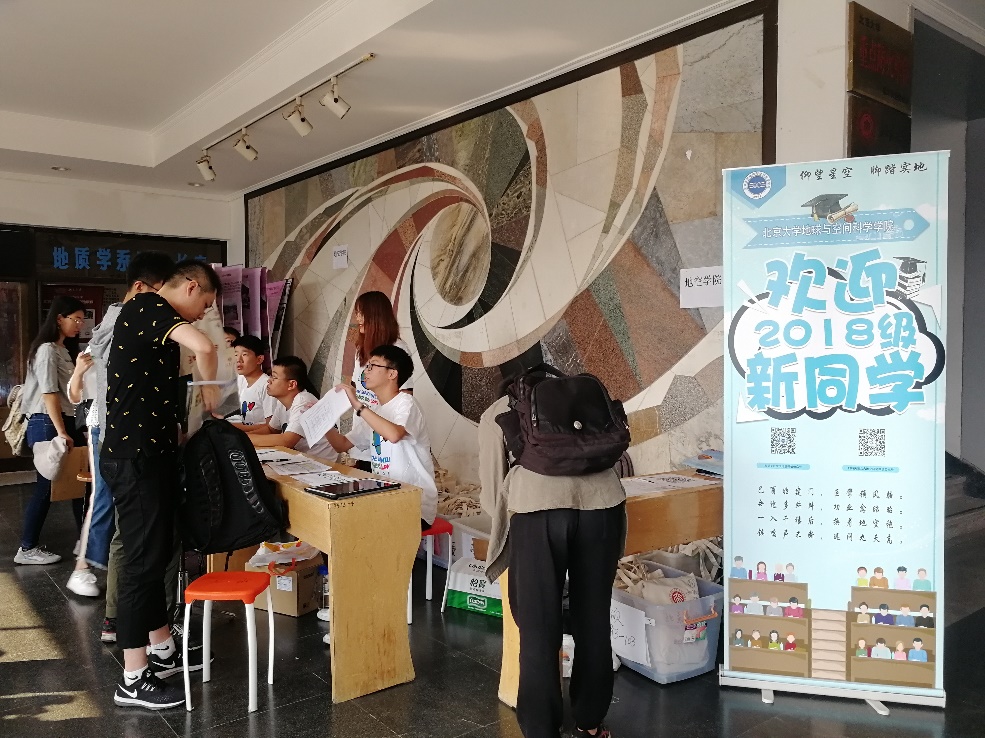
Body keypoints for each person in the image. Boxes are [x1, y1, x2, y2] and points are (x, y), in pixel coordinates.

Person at [100, 260, 221, 709]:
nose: (202, 313)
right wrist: (212, 392)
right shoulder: (147, 306)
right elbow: (204, 345)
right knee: (141, 562)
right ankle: (132, 678)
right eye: (205, 302)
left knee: (158, 551)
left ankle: (163, 649)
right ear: (189, 286)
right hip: (135, 460)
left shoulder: (159, 324)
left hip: (152, 456)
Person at [477, 380, 626, 738]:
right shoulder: (585, 396)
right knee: (594, 617)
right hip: (604, 505)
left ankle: (542, 729)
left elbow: (492, 493)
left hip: (537, 510)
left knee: (538, 626)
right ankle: (590, 721)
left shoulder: (498, 410)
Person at [66, 251, 175, 602]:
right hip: (113, 424)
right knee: (105, 498)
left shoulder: (119, 318)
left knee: (111, 501)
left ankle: (92, 569)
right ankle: (83, 567)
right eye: (161, 291)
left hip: (115, 422)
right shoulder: (125, 320)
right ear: (141, 287)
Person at [325, 345, 437, 526]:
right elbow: (342, 444)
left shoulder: (406, 403)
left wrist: (357, 404)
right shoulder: (375, 411)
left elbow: (394, 434)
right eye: (366, 366)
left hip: (414, 504)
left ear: (392, 373)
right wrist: (323, 421)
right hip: (385, 498)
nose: (366, 371)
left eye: (373, 366)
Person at [14, 295, 87, 565]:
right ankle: (27, 548)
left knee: (79, 483)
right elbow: (49, 393)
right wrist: (61, 431)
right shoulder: (46, 350)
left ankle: (85, 543)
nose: (80, 324)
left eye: (81, 320)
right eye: (75, 319)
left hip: (63, 421)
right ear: (59, 318)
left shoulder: (62, 350)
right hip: (47, 422)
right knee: (46, 486)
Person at [346, 291, 414, 472]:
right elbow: (356, 387)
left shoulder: (398, 349)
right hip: (362, 433)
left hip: (387, 441)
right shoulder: (361, 349)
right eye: (357, 313)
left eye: (362, 313)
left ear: (376, 315)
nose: (358, 318)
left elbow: (405, 395)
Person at [249, 356, 337, 461]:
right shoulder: (283, 402)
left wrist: (245, 439)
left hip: (325, 465)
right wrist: (242, 436)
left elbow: (287, 441)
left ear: (291, 384)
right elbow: (271, 429)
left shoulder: (304, 402)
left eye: (274, 377)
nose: (269, 380)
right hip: (303, 461)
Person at [227, 335, 274, 429]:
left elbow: (271, 427)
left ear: (259, 359)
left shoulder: (267, 386)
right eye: (235, 355)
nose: (238, 360)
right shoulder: (242, 379)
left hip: (258, 436)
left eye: (244, 354)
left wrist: (232, 427)